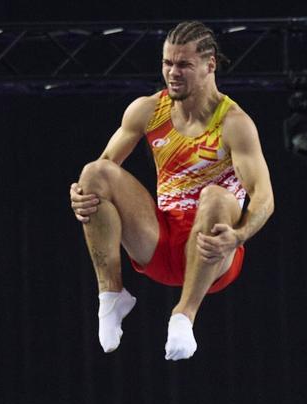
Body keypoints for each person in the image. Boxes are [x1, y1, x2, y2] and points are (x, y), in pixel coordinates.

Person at [69, 21, 274, 361]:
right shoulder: (149, 110)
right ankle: (111, 294)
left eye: (183, 65)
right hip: (159, 243)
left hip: (214, 252)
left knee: (215, 197)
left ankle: (184, 315)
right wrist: (81, 195)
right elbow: (105, 165)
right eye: (167, 63)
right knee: (94, 173)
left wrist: (237, 237)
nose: (172, 73)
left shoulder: (234, 123)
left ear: (210, 65)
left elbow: (264, 197)